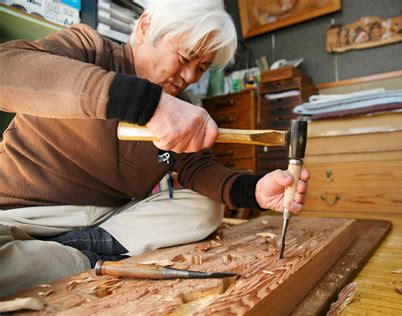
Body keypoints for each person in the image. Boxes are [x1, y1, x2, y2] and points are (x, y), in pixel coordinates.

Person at [0, 0, 310, 297]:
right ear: (146, 27)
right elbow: (5, 69)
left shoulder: (181, 107)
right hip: (23, 214)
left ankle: (73, 253)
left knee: (205, 209)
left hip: (107, 221)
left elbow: (197, 167)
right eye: (185, 57)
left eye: (202, 67)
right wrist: (147, 104)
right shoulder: (88, 47)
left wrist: (255, 189)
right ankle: (84, 260)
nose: (189, 76)